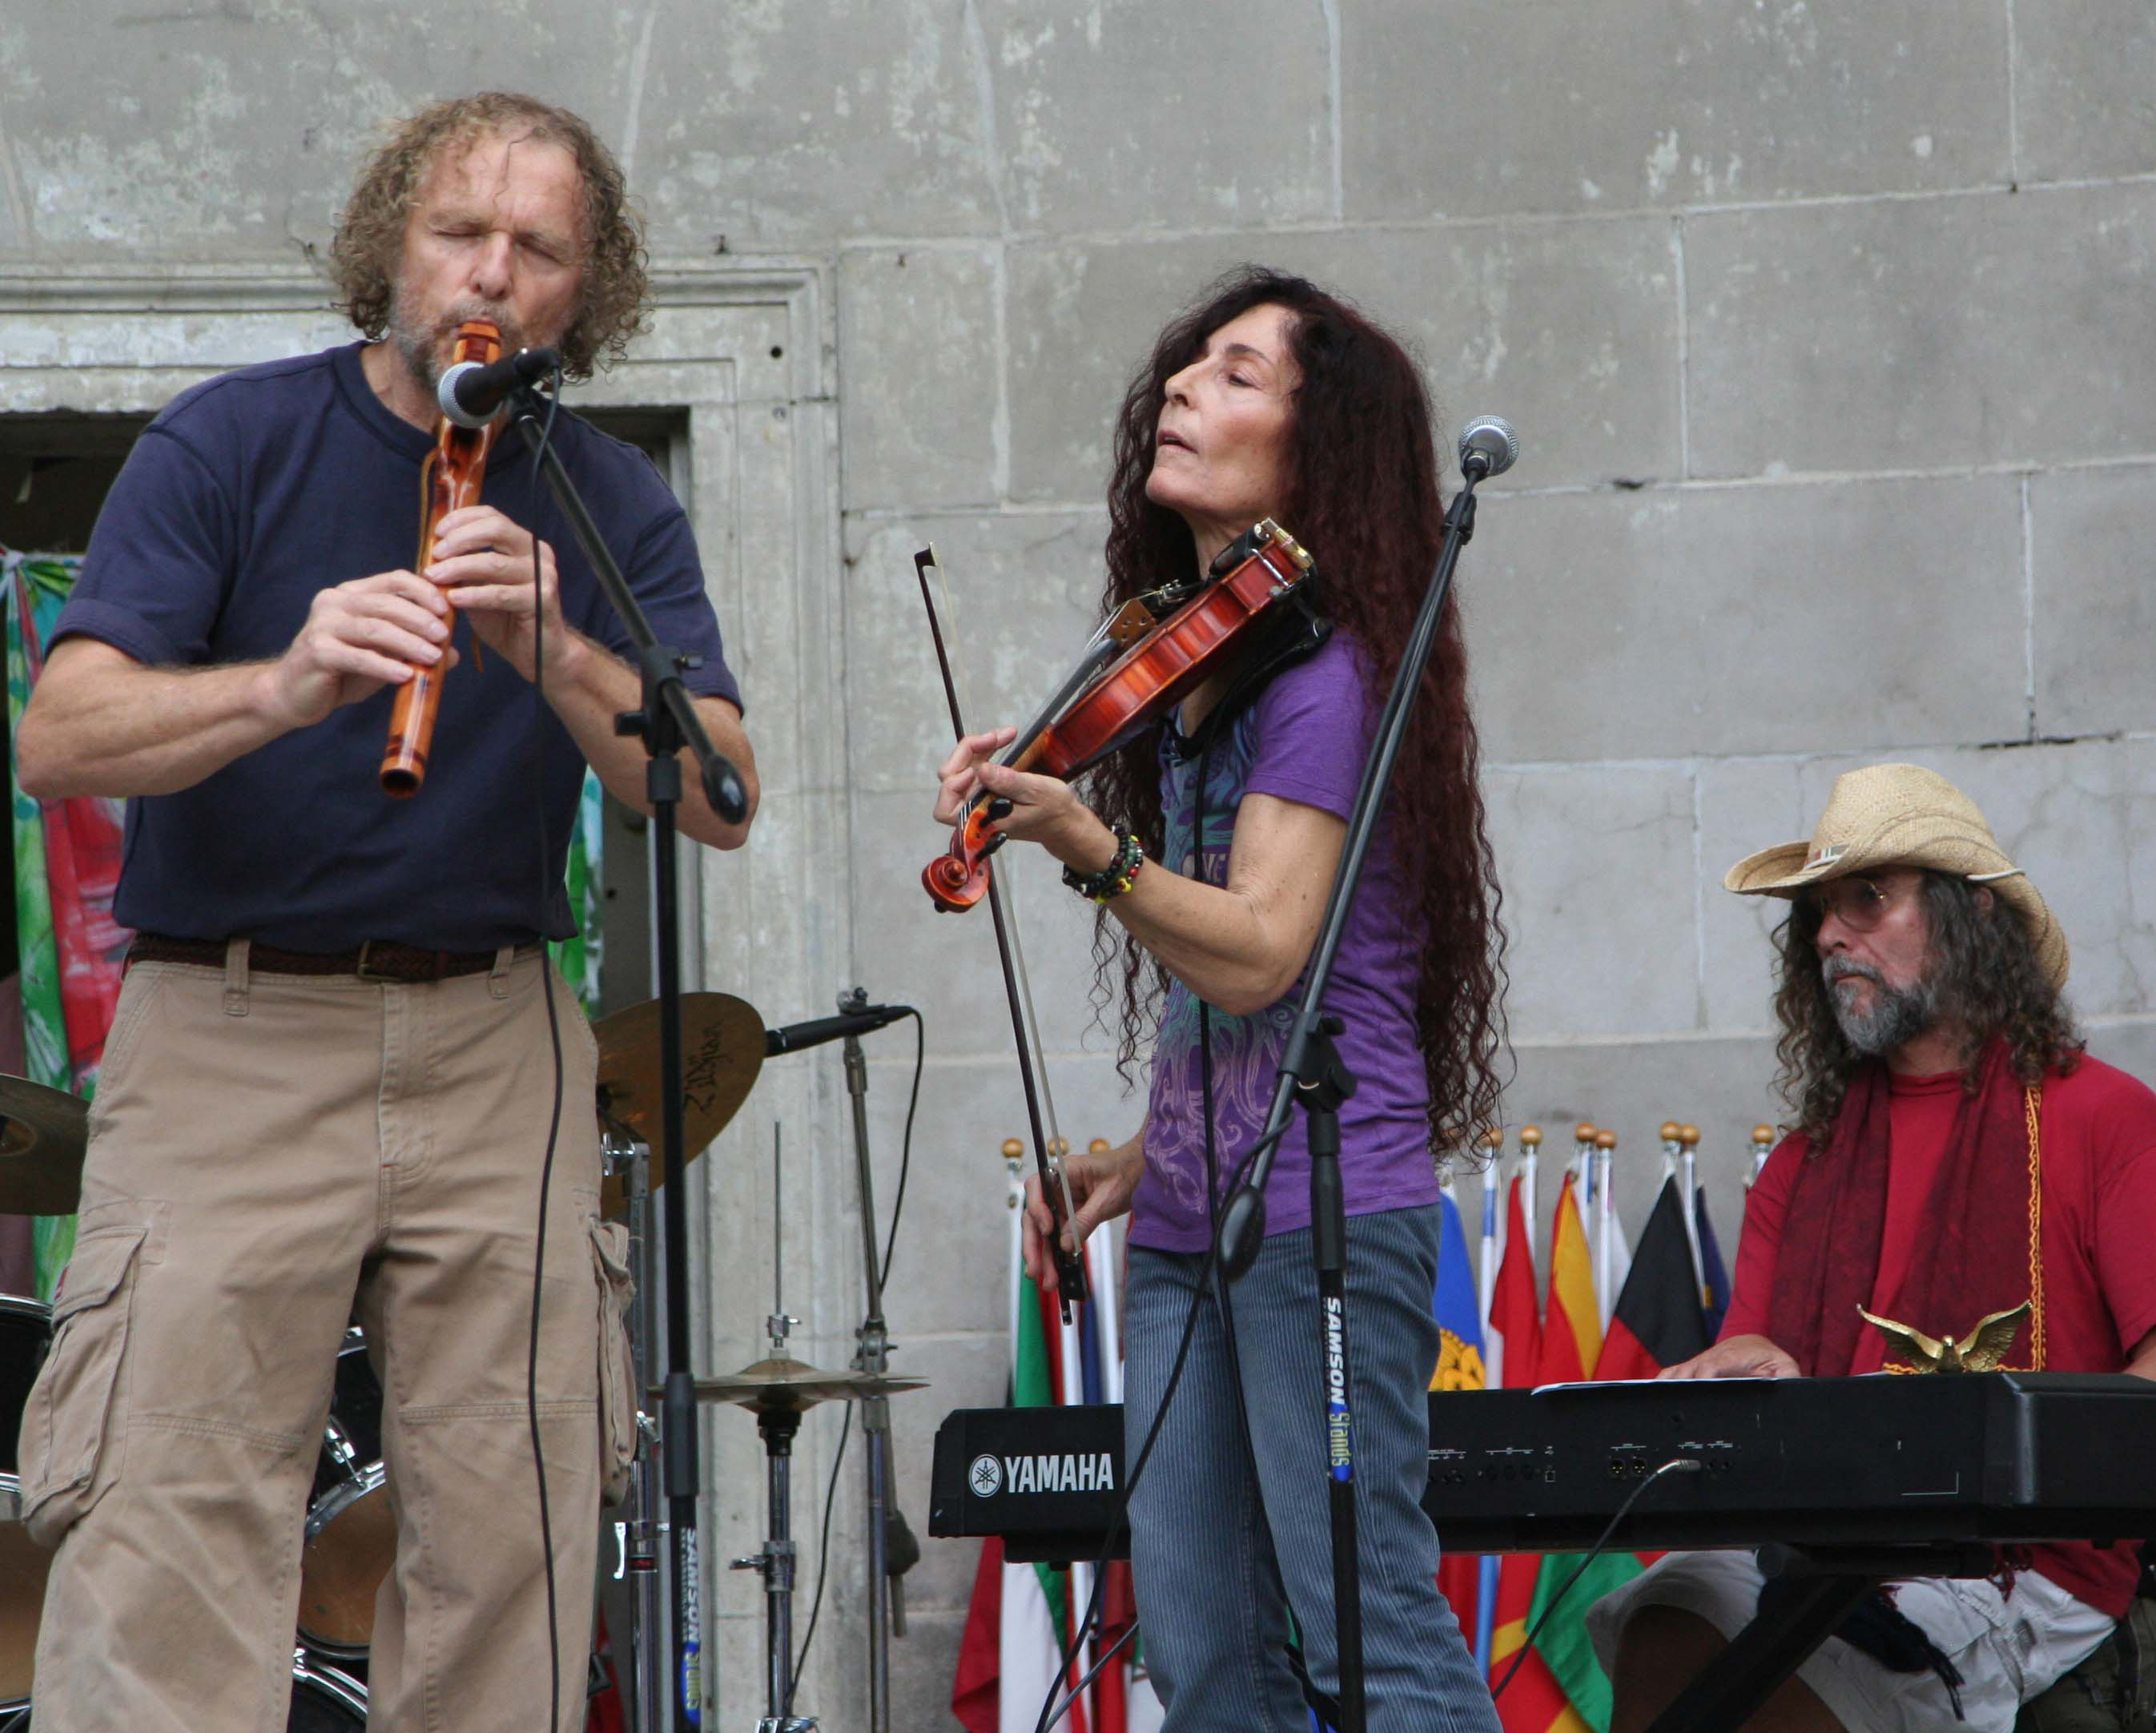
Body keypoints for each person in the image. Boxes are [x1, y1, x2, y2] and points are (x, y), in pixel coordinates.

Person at [11, 91, 755, 1732]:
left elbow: (716, 797)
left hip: (500, 1032)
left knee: (519, 1527)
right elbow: (60, 733)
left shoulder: (609, 506)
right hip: (231, 1023)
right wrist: (285, 680)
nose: (490, 267)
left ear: (586, 290)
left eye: (536, 246)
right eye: (457, 231)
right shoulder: (229, 439)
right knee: (169, 1513)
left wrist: (556, 646)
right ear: (387, 250)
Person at [932, 267, 1505, 1732]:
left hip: (1323, 1215)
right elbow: (1226, 1002)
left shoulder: (1323, 679)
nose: (1185, 384)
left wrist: (1079, 838)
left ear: (1315, 455)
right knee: (1204, 1659)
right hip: (1199, 1219)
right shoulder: (1212, 666)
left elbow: (1259, 949)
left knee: (1363, 1634)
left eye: (1237, 374)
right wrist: (1144, 1151)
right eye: (1188, 363)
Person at [1587, 763, 2156, 1733]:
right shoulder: (1799, 1166)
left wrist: (2036, 1458)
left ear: (1969, 916)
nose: (1826, 936)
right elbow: (1761, 1354)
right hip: (1814, 1538)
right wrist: (1744, 1368)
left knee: (1786, 1688)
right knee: (1665, 1624)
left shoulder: (2103, 1116)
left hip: (2020, 1561)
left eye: (1866, 899)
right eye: (1816, 912)